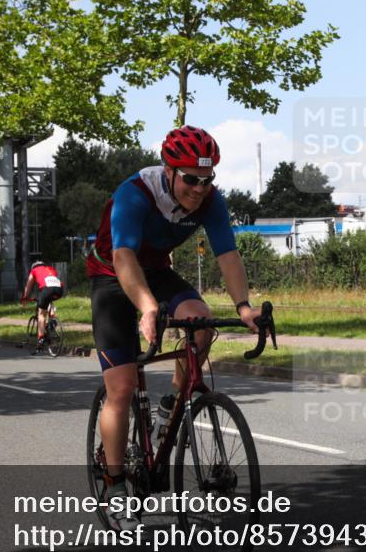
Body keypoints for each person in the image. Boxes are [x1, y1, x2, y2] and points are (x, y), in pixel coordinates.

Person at [86, 125, 261, 530]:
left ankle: (169, 409)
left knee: (200, 324)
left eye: (207, 179)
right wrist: (147, 308)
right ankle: (114, 486)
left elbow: (228, 255)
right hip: (113, 273)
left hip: (158, 271)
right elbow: (125, 256)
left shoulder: (210, 201)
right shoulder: (135, 192)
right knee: (122, 387)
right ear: (169, 169)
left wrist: (244, 306)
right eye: (191, 179)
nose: (199, 188)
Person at [20, 260, 64, 355]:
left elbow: (29, 285)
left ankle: (40, 339)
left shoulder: (34, 270)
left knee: (41, 314)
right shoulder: (50, 269)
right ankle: (52, 320)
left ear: (34, 267)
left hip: (46, 290)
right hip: (59, 290)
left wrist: (25, 297)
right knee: (49, 300)